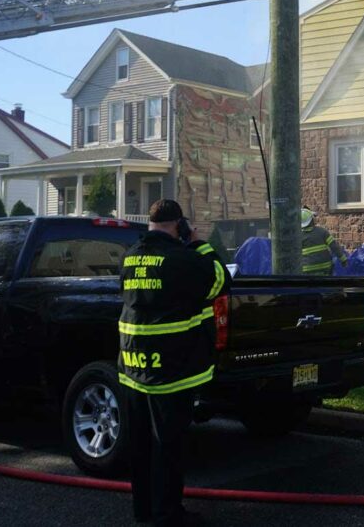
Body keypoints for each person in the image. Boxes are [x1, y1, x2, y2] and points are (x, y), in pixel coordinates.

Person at [118, 199, 231, 526]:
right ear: (178, 225)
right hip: (170, 369)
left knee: (140, 446)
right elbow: (220, 281)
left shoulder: (129, 256)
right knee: (168, 445)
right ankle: (167, 514)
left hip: (132, 366)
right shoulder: (184, 259)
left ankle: (143, 510)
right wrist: (200, 243)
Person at [301, 207, 348, 275]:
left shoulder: (298, 236)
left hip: (307, 269)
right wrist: (343, 259)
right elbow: (334, 246)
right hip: (325, 268)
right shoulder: (322, 231)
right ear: (311, 220)